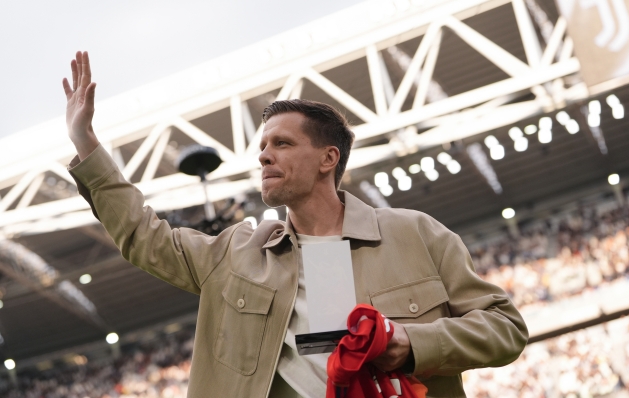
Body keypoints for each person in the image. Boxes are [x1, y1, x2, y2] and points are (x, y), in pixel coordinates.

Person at [64, 51, 528, 397]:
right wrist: (85, 143)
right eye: (263, 146)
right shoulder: (233, 255)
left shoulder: (416, 233)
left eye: (282, 143)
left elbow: (505, 329)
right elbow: (144, 236)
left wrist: (411, 342)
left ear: (329, 158)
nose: (263, 154)